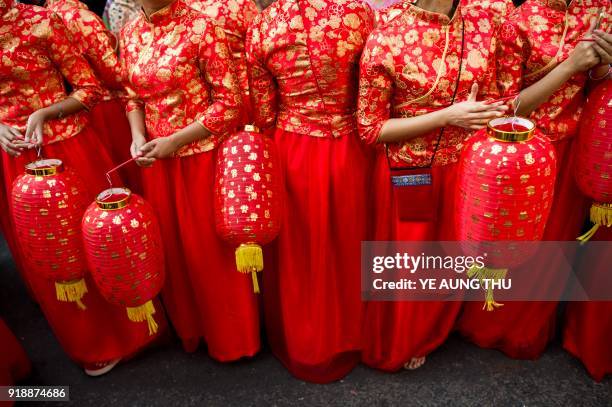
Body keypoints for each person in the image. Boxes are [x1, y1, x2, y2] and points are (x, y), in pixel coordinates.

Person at [0, 0, 164, 376]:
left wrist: (44, 112)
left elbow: (90, 88)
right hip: (15, 157)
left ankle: (133, 328)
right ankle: (90, 341)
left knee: (99, 241)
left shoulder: (42, 22)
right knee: (49, 256)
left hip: (68, 146)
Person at [357, 0, 507, 371]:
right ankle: (405, 336)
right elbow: (370, 129)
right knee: (411, 265)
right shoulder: (387, 33)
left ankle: (433, 327)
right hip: (410, 171)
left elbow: (493, 99)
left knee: (451, 257)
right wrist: (447, 115)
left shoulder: (484, 23)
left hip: (464, 166)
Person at [456, 0, 611, 360]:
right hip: (520, 155)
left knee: (552, 247)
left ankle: (529, 332)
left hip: (571, 145)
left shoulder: (600, 7)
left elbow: (595, 82)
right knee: (510, 244)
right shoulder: (520, 21)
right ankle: (487, 326)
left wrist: (601, 64)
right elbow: (506, 107)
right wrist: (572, 64)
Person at [121, 0, 260, 361]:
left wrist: (176, 140)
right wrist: (137, 136)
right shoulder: (131, 31)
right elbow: (131, 95)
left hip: (201, 159)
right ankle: (193, 329)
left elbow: (229, 103)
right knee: (175, 250)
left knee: (209, 254)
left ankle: (233, 339)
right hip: (155, 159)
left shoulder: (201, 28)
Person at [247, 0, 375, 383]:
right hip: (350, 146)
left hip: (293, 149)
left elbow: (264, 111)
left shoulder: (264, 25)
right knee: (351, 241)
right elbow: (369, 92)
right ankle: (355, 332)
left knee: (301, 250)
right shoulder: (359, 13)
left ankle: (306, 340)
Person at [46, 0, 141, 191]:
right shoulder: (80, 17)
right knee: (128, 180)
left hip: (78, 106)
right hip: (108, 109)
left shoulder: (48, 12)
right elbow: (114, 74)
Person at [187, 0, 259, 122]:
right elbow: (257, 50)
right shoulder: (242, 3)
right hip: (242, 96)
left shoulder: (182, 6)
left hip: (198, 102)